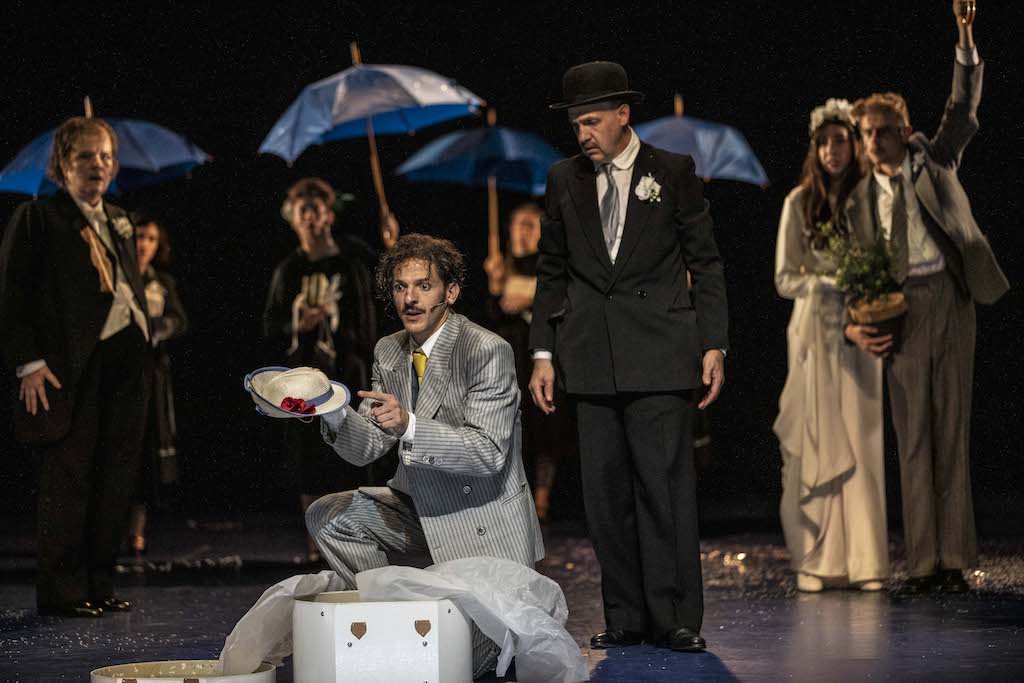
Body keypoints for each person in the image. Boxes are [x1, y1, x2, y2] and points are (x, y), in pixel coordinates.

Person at [529, 61, 729, 653]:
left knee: (663, 492)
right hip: (591, 358)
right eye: (576, 124)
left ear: (623, 115)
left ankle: (676, 616)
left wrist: (713, 343)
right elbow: (551, 271)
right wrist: (542, 351)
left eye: (592, 121)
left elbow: (706, 263)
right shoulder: (563, 178)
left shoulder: (673, 172)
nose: (582, 133)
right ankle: (625, 615)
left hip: (661, 354)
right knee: (605, 495)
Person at [305, 233, 544, 677]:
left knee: (464, 666)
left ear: (450, 293)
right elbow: (367, 447)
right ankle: (392, 622)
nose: (410, 299)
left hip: (480, 523)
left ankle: (432, 635)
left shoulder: (486, 349)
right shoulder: (389, 350)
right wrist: (331, 409)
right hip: (419, 511)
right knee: (329, 516)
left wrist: (409, 426)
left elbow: (488, 453)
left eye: (423, 286)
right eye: (400, 287)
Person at [843, 0, 1008, 594]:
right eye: (868, 133)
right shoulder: (859, 201)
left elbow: (962, 110)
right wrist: (858, 320)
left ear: (904, 130)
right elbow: (857, 273)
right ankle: (921, 563)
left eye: (884, 130)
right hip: (901, 311)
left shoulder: (934, 160)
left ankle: (953, 561)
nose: (876, 140)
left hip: (948, 298)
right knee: (912, 434)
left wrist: (965, 36)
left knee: (950, 429)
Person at [0, 117, 151, 617]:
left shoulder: (119, 218)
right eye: (85, 155)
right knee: (70, 478)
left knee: (115, 476)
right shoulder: (40, 216)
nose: (97, 165)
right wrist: (29, 362)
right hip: (71, 365)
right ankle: (63, 590)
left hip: (127, 364)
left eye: (105, 156)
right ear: (63, 163)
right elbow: (12, 294)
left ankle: (99, 582)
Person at [774, 99, 888, 593]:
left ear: (852, 145)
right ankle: (815, 558)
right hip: (813, 333)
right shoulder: (799, 202)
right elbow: (784, 277)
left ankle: (865, 560)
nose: (831, 151)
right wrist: (826, 283)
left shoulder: (869, 198)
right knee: (816, 434)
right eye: (823, 143)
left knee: (861, 438)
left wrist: (860, 288)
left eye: (839, 141)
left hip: (859, 327)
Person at [262, 177, 379, 564]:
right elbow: (270, 326)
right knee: (307, 457)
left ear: (329, 215)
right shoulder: (289, 269)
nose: (310, 218)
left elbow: (368, 321)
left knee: (351, 454)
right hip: (303, 379)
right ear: (292, 218)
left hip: (348, 372)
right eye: (302, 211)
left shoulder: (352, 261)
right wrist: (299, 324)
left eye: (316, 210)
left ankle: (353, 537)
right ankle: (317, 543)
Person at [484, 202, 577, 522]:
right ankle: (510, 495)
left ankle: (542, 498)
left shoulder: (550, 265)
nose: (523, 231)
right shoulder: (499, 266)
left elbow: (560, 298)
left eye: (530, 224)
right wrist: (494, 285)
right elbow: (494, 314)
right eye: (518, 224)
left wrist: (523, 292)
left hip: (541, 354)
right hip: (509, 357)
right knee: (509, 426)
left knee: (544, 427)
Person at [127, 214, 188, 557]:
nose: (143, 244)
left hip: (151, 373)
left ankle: (137, 531)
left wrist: (157, 326)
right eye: (139, 236)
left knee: (146, 451)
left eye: (150, 238)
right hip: (119, 374)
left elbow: (180, 320)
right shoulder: (116, 276)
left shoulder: (161, 282)